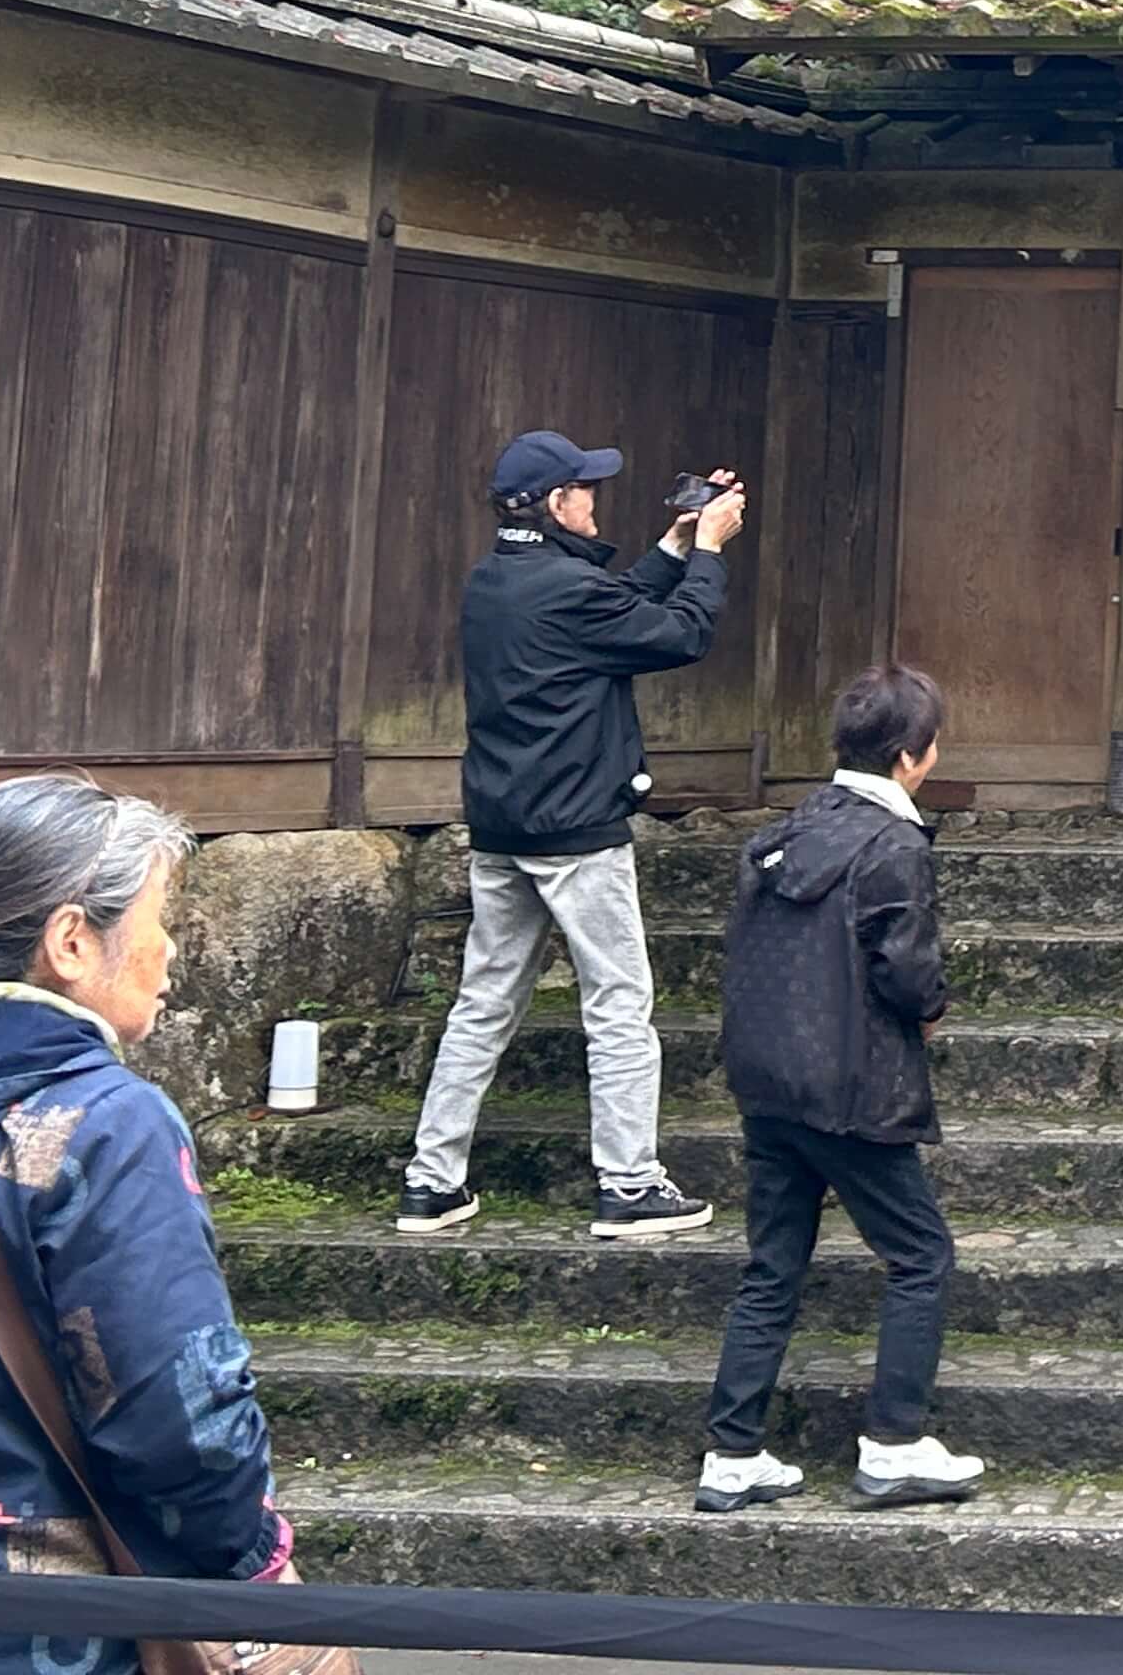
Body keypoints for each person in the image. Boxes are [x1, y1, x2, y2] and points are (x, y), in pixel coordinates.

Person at [0, 777, 296, 1675]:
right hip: (40, 1624)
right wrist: (254, 1562)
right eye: (156, 917)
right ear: (71, 940)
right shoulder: (104, 1123)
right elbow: (177, 1417)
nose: (170, 949)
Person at [396, 428, 741, 1242]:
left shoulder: (493, 581)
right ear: (558, 504)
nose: (594, 499)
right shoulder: (566, 591)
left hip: (501, 827)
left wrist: (676, 542)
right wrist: (712, 555)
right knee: (619, 1005)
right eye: (585, 489)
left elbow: (611, 614)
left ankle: (431, 1181)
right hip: (578, 833)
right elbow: (678, 633)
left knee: (482, 1006)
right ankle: (629, 1183)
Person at [696, 665, 984, 1514]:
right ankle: (895, 1441)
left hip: (769, 1081)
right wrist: (932, 1011)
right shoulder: (894, 845)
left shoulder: (785, 833)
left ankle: (732, 1451)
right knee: (921, 1255)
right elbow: (906, 970)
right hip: (853, 1086)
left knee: (772, 1266)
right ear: (911, 757)